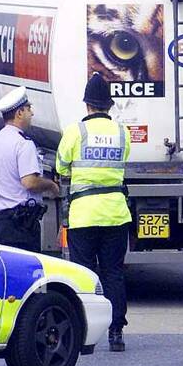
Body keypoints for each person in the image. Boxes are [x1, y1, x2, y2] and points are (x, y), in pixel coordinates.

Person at [56, 73, 130, 352]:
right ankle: (116, 331)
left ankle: (85, 331)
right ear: (109, 106)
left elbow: (62, 166)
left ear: (87, 104)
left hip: (83, 215)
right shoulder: (122, 132)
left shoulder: (75, 132)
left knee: (85, 274)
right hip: (115, 214)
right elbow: (123, 163)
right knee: (113, 273)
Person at [0, 87, 59, 253]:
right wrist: (51, 185)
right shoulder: (23, 143)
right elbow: (29, 182)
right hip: (21, 227)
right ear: (19, 113)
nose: (31, 113)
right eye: (28, 109)